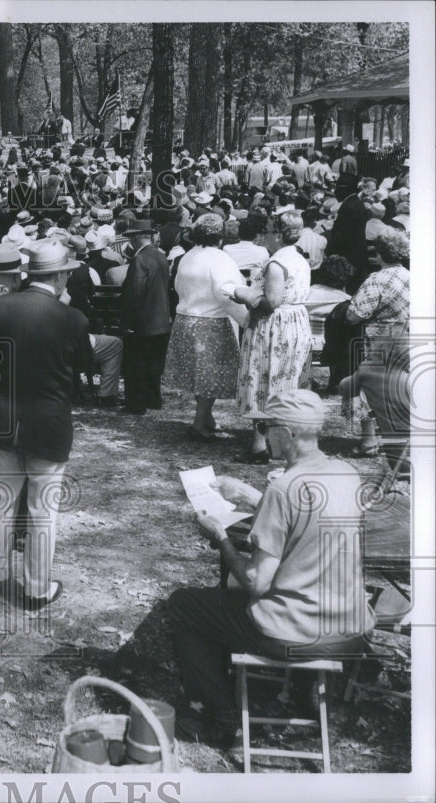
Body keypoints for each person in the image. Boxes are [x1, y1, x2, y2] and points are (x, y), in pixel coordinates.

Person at [168, 389, 374, 746]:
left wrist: (221, 538)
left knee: (184, 605)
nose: (262, 434)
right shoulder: (346, 473)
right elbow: (305, 521)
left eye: (265, 426)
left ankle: (223, 716)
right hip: (351, 630)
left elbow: (255, 582)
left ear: (288, 434)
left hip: (296, 635)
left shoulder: (283, 490)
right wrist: (250, 495)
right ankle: (303, 690)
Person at [0, 241, 93, 610]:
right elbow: (86, 367)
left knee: (0, 504)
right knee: (43, 510)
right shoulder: (71, 318)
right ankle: (35, 589)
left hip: (3, 415)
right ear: (59, 275)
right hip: (48, 421)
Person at [233, 212, 313, 462]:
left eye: (267, 231)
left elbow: (271, 302)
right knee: (285, 380)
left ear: (278, 235)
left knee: (262, 379)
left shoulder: (277, 263)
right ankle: (282, 442)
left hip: (274, 326)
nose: (262, 236)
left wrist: (241, 294)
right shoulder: (299, 259)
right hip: (296, 323)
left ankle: (259, 445)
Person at [164, 215, 248, 442]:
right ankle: (199, 423)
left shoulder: (187, 256)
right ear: (219, 238)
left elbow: (177, 286)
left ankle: (206, 417)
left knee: (201, 376)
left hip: (186, 319)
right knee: (211, 377)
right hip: (210, 322)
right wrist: (246, 320)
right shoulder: (220, 258)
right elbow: (226, 293)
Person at [120, 219, 171, 415]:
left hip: (143, 321)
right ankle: (153, 399)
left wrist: (126, 322)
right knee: (153, 365)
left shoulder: (139, 260)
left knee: (136, 365)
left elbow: (134, 293)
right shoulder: (160, 256)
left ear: (134, 239)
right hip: (160, 319)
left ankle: (136, 404)